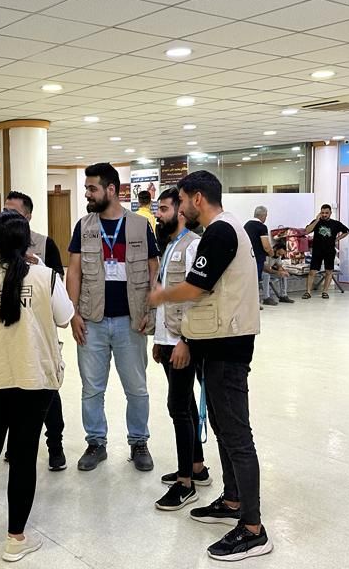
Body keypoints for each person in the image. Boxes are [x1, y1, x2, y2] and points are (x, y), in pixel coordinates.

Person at [149, 171, 272, 562]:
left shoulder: (219, 232)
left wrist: (161, 295)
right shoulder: (226, 229)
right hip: (217, 344)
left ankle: (252, 529)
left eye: (182, 201)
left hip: (228, 349)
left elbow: (195, 287)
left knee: (236, 435)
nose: (181, 209)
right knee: (221, 425)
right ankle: (233, 501)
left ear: (197, 199)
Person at [0, 211, 74, 563]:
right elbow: (65, 319)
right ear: (27, 243)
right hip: (33, 379)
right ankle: (15, 539)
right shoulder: (46, 277)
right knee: (22, 458)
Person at [67, 163, 160, 472]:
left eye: (92, 188)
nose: (87, 194)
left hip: (131, 321)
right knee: (92, 388)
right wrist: (73, 313)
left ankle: (139, 442)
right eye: (86, 188)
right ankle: (96, 442)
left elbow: (152, 269)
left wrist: (150, 310)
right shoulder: (84, 225)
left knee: (137, 387)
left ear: (110, 189)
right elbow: (75, 272)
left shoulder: (138, 225)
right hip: (92, 321)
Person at [0, 191, 67, 471]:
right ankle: (12, 445)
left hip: (35, 336)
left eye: (14, 213)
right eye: (4, 211)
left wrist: (37, 265)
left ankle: (55, 445)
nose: (6, 217)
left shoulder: (44, 245)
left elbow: (57, 291)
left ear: (28, 217)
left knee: (45, 392)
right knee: (7, 394)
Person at [150, 187, 211, 511]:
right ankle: (196, 467)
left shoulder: (193, 246)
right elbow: (166, 296)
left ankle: (185, 483)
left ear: (181, 212)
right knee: (184, 403)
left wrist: (185, 341)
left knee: (178, 408)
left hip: (183, 342)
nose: (158, 214)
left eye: (163, 209)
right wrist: (159, 339)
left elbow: (196, 297)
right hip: (167, 339)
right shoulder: (170, 245)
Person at [303, 204, 349, 300]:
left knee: (329, 271)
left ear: (330, 213)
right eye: (322, 213)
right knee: (312, 271)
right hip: (317, 250)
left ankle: (325, 291)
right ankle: (308, 292)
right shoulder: (317, 222)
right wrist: (316, 220)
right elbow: (307, 231)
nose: (324, 215)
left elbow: (347, 231)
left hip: (329, 250)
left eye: (326, 213)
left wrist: (337, 239)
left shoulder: (335, 224)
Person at [243, 206, 272, 308]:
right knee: (256, 280)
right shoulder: (261, 227)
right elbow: (266, 245)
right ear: (263, 215)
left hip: (246, 257)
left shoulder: (246, 225)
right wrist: (271, 253)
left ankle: (247, 303)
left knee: (248, 280)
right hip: (257, 258)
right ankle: (255, 303)